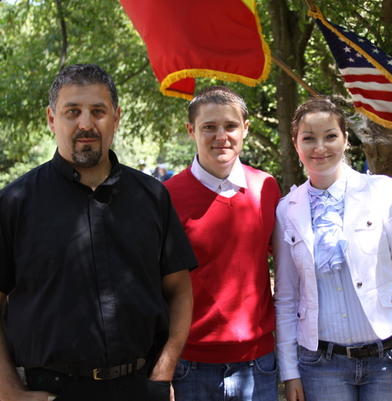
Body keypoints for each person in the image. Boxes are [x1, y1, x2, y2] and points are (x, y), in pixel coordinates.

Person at [0, 64, 197, 401]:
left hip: (140, 387)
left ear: (116, 118)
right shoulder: (15, 202)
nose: (86, 124)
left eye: (98, 111)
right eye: (72, 111)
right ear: (52, 119)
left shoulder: (152, 196)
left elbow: (179, 290)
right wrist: (7, 389)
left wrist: (164, 370)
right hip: (50, 391)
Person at [274, 98, 392, 401]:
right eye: (309, 138)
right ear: (296, 144)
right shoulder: (287, 210)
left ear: (345, 140)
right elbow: (287, 297)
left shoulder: (382, 191)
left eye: (330, 136)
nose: (320, 147)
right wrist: (290, 371)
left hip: (387, 357)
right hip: (321, 364)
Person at [164, 86, 281, 401]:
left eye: (230, 126)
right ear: (191, 130)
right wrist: (163, 368)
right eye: (209, 127)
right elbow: (154, 286)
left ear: (245, 128)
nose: (221, 136)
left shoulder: (266, 188)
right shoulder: (166, 197)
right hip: (190, 366)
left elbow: (290, 272)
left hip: (258, 363)